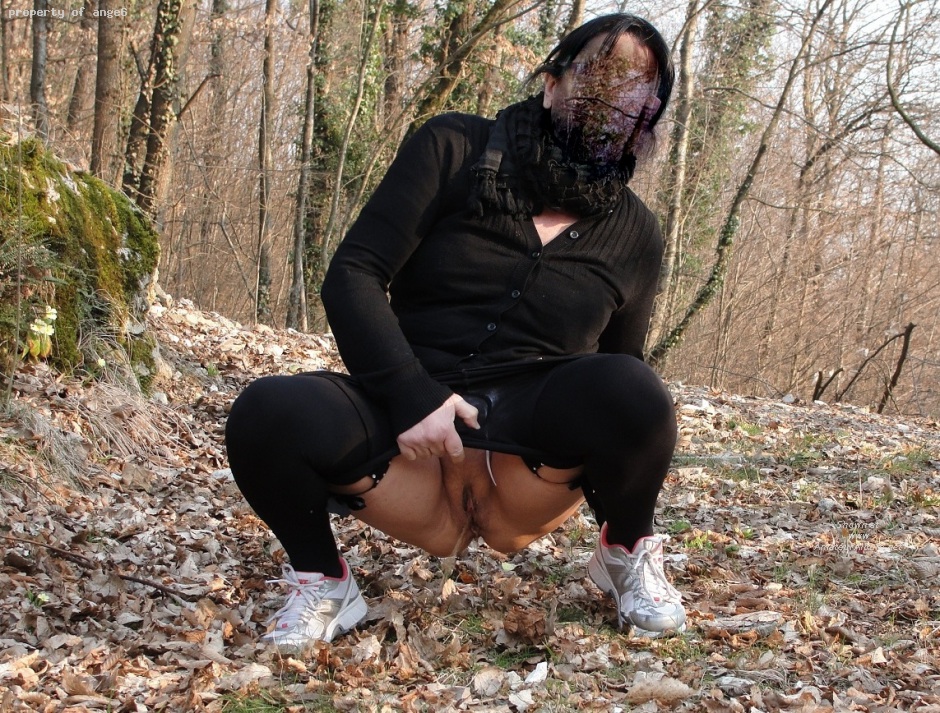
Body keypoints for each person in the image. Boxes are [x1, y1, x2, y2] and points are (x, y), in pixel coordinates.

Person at [225, 12, 685, 650]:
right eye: (597, 80)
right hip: (406, 429)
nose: (610, 106)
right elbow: (354, 274)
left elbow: (621, 374)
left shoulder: (636, 232)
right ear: (551, 81)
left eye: (634, 96)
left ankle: (625, 554)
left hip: (527, 462)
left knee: (635, 391)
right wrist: (412, 394)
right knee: (267, 412)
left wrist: (615, 492)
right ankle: (323, 581)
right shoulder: (453, 147)